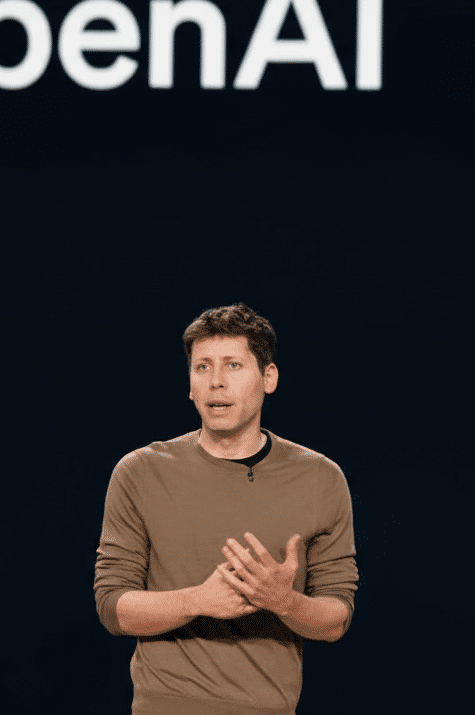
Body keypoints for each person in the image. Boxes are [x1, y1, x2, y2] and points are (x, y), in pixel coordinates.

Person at [94, 303, 358, 715]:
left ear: (268, 378)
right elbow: (113, 608)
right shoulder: (141, 471)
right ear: (190, 384)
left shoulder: (320, 478)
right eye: (202, 368)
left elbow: (336, 618)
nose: (216, 382)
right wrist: (197, 600)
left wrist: (283, 601)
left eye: (233, 365)